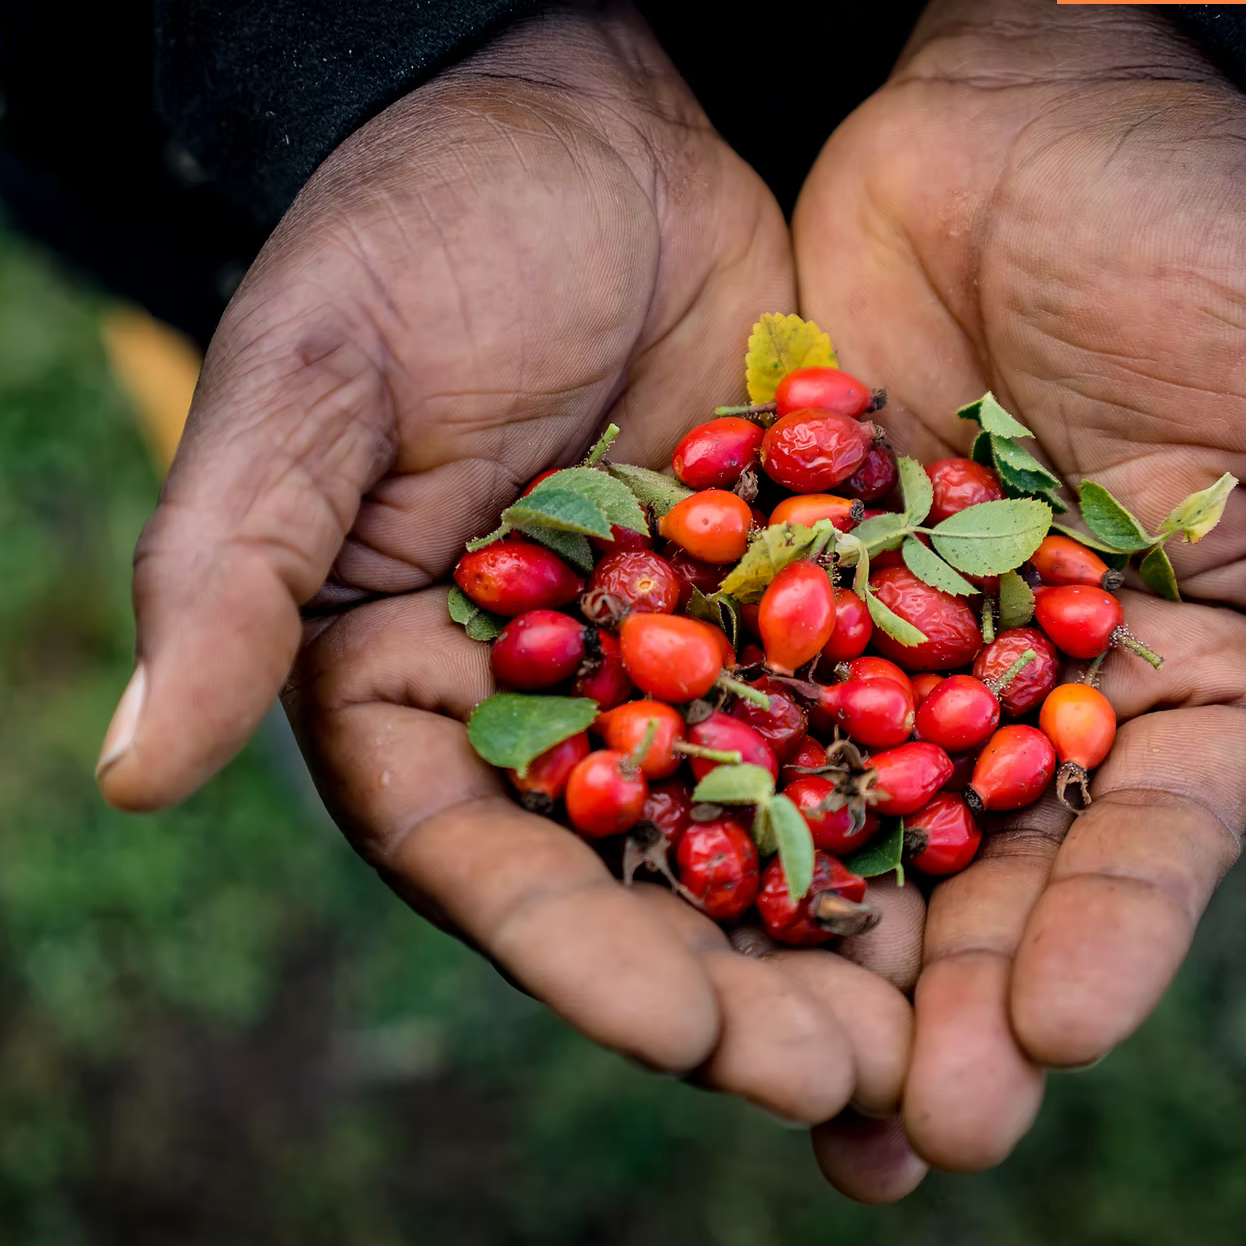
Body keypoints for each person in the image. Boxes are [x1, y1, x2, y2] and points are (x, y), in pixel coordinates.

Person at [66, 0, 1246, 1203]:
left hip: (979, 183)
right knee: (351, 544)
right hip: (358, 261)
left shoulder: (859, 620)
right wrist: (404, 58)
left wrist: (1132, 32)